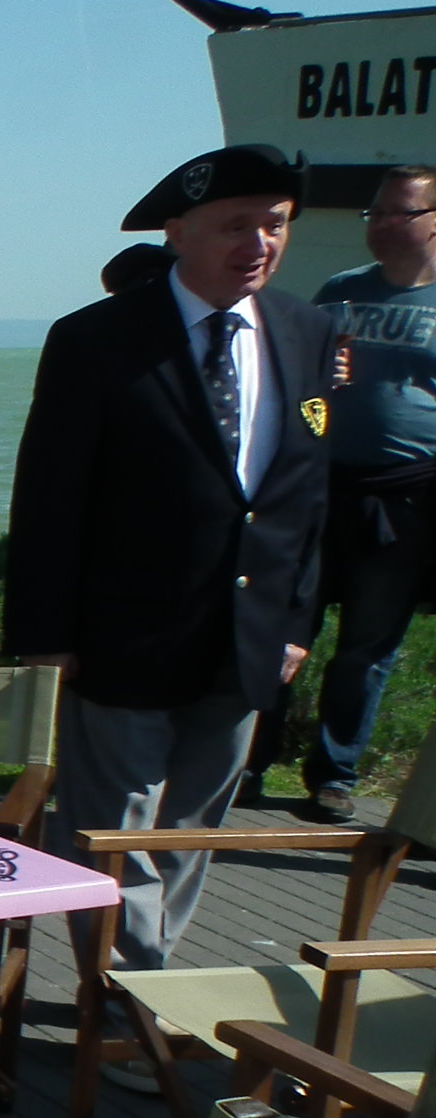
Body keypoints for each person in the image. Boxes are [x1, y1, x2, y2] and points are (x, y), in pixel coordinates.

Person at [4, 145, 335, 1005]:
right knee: (115, 826)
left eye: (275, 225)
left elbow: (306, 494)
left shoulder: (306, 331)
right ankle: (130, 1000)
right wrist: (46, 633)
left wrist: (298, 621)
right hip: (124, 631)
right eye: (236, 225)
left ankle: (143, 985)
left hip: (250, 635)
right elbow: (50, 496)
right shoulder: (98, 339)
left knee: (190, 826)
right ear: (179, 232)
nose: (258, 243)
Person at [297, 165, 436, 822]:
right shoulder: (341, 290)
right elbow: (299, 379)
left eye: (397, 213)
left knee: (368, 645)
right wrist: (321, 374)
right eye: (373, 214)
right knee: (284, 624)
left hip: (407, 496)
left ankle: (333, 774)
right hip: (324, 485)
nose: (379, 225)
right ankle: (245, 762)